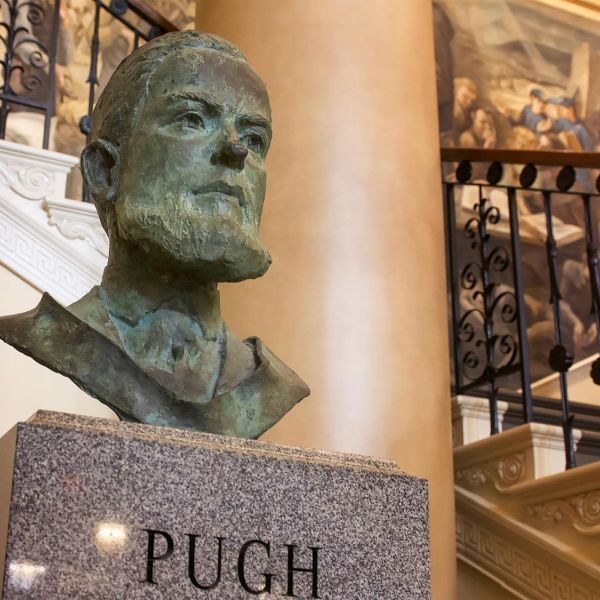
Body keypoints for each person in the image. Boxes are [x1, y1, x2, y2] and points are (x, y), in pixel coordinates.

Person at [0, 31, 310, 438]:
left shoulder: (269, 386)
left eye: (255, 138)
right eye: (192, 120)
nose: (237, 151)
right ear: (105, 171)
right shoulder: (54, 338)